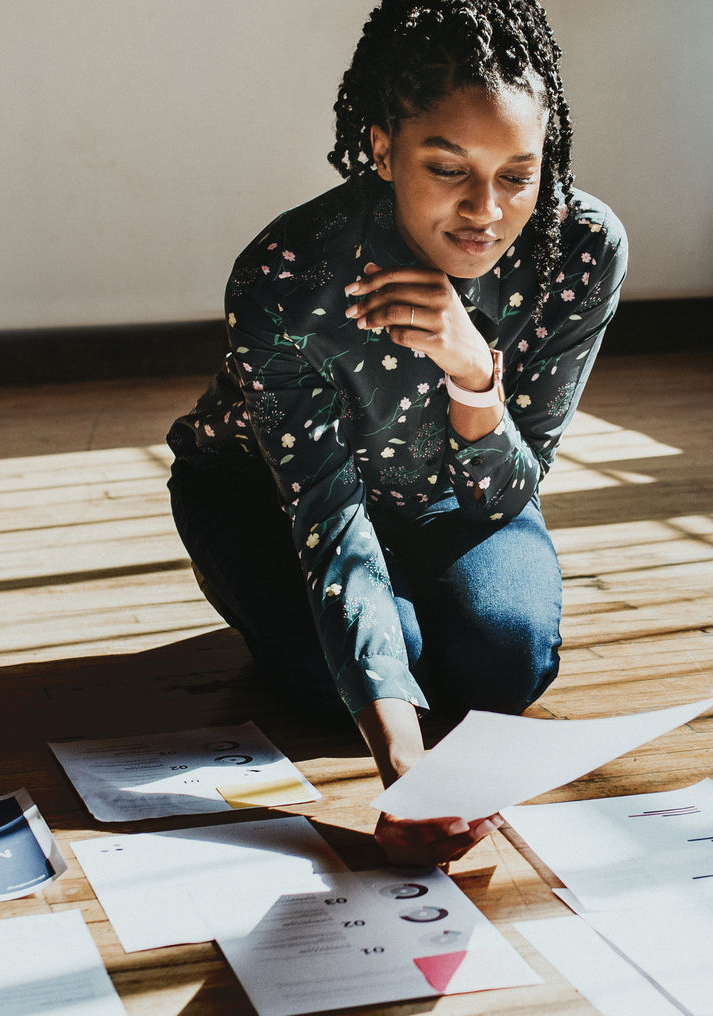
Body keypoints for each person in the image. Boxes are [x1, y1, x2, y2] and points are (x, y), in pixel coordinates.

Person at [167, 0, 627, 866]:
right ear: (383, 148)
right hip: (267, 492)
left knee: (507, 666)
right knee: (335, 686)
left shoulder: (581, 248)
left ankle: (407, 607)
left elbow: (508, 490)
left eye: (517, 175)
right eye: (447, 167)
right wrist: (406, 769)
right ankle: (356, 618)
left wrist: (474, 373)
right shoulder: (286, 277)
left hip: (444, 496)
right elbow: (329, 523)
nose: (485, 210)